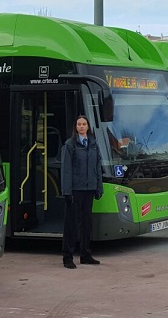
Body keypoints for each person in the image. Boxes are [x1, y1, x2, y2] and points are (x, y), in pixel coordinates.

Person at [61, 115, 103, 269]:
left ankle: (85, 255)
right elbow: (66, 170)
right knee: (71, 225)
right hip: (75, 190)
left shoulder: (93, 144)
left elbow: (97, 167)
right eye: (79, 124)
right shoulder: (70, 145)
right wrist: (67, 192)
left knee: (86, 223)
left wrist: (99, 187)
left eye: (84, 124)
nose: (81, 126)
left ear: (88, 127)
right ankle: (67, 257)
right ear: (75, 127)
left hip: (89, 189)